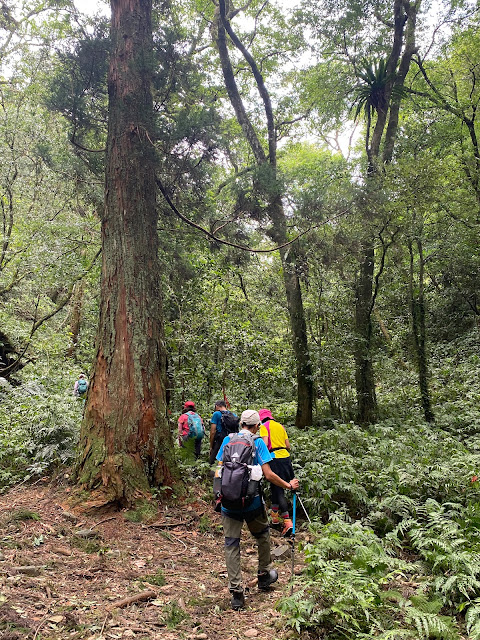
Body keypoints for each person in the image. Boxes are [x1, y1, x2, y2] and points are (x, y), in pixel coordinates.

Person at [215, 409, 299, 610]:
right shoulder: (258, 442)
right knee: (262, 535)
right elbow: (269, 475)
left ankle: (236, 593)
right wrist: (288, 485)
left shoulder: (228, 441)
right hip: (252, 503)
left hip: (228, 503)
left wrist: (220, 495)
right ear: (256, 426)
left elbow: (218, 469)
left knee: (231, 544)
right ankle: (263, 575)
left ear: (241, 424)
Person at [259, 408, 295, 537]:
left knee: (278, 489)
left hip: (274, 458)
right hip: (286, 457)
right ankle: (274, 517)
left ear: (261, 418)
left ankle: (287, 522)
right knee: (277, 487)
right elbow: (288, 444)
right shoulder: (280, 426)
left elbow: (265, 444)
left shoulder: (264, 427)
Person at [209, 399, 238, 464]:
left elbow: (213, 431)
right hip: (231, 439)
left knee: (213, 459)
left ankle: (213, 472)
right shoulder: (233, 415)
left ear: (217, 406)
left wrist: (211, 445)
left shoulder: (216, 414)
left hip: (220, 439)